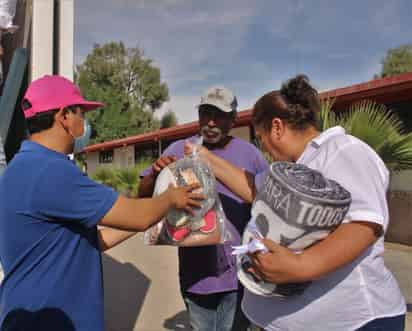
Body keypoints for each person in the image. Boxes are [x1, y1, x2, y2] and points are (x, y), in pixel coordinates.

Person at [185, 75, 406, 331]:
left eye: (260, 137)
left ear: (277, 127)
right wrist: (206, 158)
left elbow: (365, 224)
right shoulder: (292, 167)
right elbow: (254, 189)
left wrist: (301, 266)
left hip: (354, 322)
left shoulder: (343, 151)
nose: (263, 147)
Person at [0, 75, 203, 331]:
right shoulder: (51, 171)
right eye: (81, 113)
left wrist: (152, 213)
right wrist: (171, 197)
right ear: (64, 116)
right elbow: (137, 215)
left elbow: (90, 241)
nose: (84, 122)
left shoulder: (20, 168)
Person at [138, 86, 268, 331]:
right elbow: (142, 195)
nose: (210, 122)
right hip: (197, 276)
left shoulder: (250, 155)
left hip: (241, 274)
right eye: (205, 113)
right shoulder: (178, 150)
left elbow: (269, 205)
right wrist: (155, 174)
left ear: (232, 120)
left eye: (219, 115)